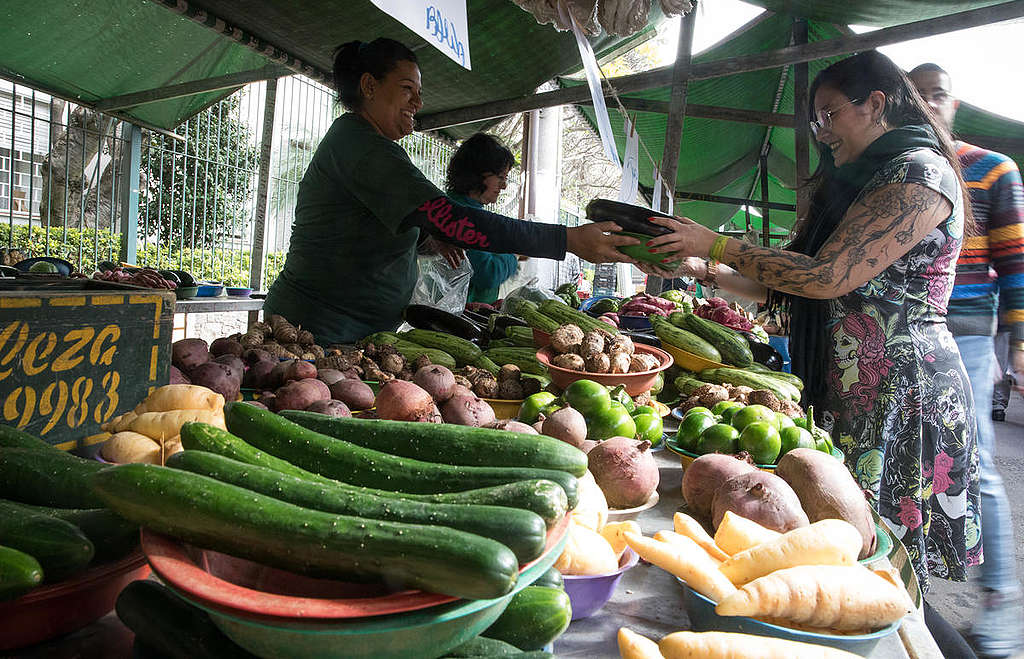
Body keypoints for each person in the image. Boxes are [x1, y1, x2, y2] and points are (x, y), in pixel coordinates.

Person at [639, 51, 981, 600]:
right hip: (848, 382)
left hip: (900, 388)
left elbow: (828, 276)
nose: (820, 133)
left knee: (879, 559)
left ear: (874, 104)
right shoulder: (857, 182)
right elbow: (788, 281)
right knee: (834, 542)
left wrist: (720, 242)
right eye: (815, 119)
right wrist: (696, 264)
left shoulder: (919, 174)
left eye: (829, 114)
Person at [263, 38, 634, 343]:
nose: (418, 103)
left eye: (419, 93)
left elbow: (370, 226)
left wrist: (426, 239)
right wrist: (564, 239)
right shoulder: (361, 146)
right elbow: (451, 218)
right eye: (407, 89)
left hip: (352, 330)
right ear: (369, 85)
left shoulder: (367, 143)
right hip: (314, 330)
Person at [910, 62, 1024, 659]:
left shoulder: (992, 169)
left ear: (955, 104)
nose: (929, 104)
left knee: (974, 464)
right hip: (908, 333)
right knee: (913, 456)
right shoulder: (897, 170)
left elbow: (1017, 263)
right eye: (918, 94)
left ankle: (1001, 602)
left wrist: (1019, 342)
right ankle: (914, 591)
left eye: (939, 95)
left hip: (971, 338)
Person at [443, 133, 521, 305]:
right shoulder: (464, 215)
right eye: (500, 178)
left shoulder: (456, 206)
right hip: (456, 315)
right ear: (478, 174)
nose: (504, 186)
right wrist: (514, 255)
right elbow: (488, 273)